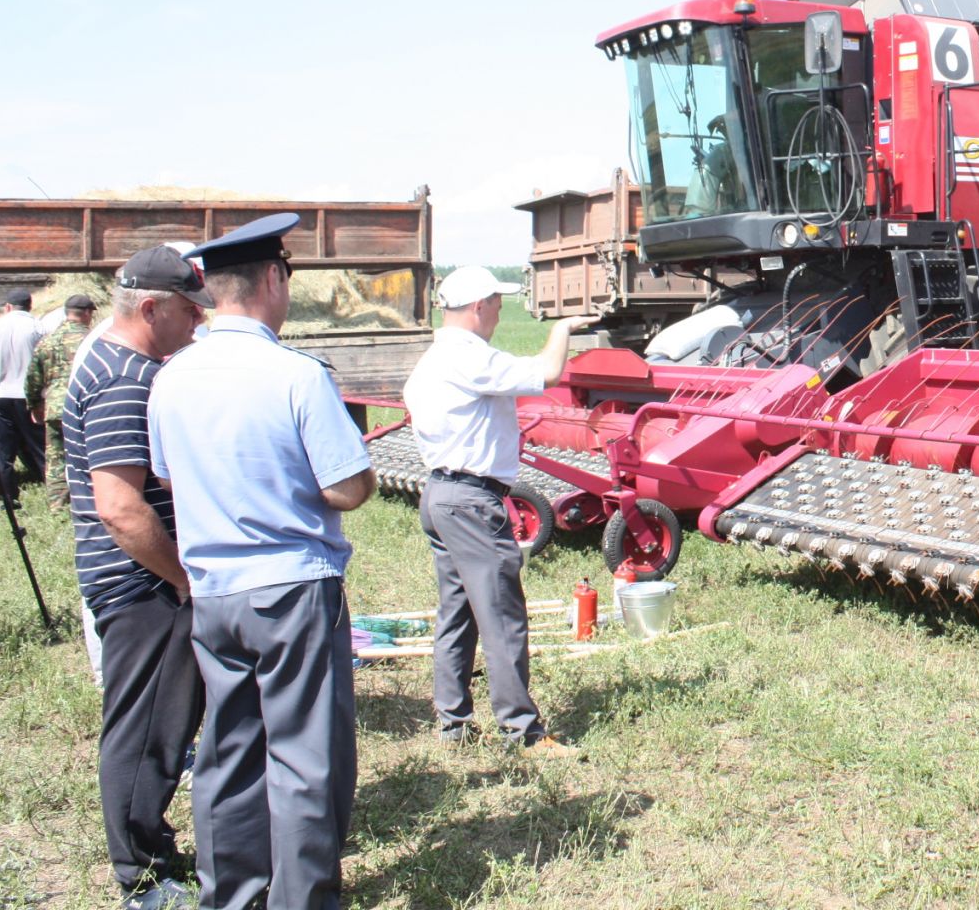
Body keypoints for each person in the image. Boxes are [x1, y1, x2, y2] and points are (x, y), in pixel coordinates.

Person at [147, 214, 376, 910]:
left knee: (227, 750)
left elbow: (166, 478)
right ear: (273, 280)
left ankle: (233, 895)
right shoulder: (296, 375)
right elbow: (347, 486)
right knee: (304, 759)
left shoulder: (172, 378)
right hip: (291, 587)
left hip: (214, 591)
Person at [64, 249, 211, 910]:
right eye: (189, 308)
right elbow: (120, 507)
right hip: (141, 586)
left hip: (140, 582)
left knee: (161, 726)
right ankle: (141, 876)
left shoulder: (117, 360)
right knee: (147, 731)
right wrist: (181, 578)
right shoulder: (126, 379)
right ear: (150, 308)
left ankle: (149, 844)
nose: (198, 319)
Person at [403, 266, 596, 755]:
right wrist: (563, 329)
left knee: (458, 612)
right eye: (496, 302)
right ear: (477, 307)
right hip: (472, 501)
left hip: (442, 495)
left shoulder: (433, 358)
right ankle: (522, 732)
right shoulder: (470, 358)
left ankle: (454, 725)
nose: (500, 311)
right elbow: (548, 373)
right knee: (502, 615)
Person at [27, 293, 96, 511]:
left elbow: (33, 378)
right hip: (83, 406)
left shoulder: (47, 340)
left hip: (55, 406)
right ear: (86, 313)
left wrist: (34, 405)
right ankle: (86, 501)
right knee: (87, 456)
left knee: (56, 459)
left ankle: (56, 505)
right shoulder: (93, 340)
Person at [0, 288, 46, 503]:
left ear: (8, 307)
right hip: (27, 395)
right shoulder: (37, 326)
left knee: (4, 451)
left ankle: (7, 496)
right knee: (41, 446)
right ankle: (55, 494)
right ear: (30, 306)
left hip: (0, 395)